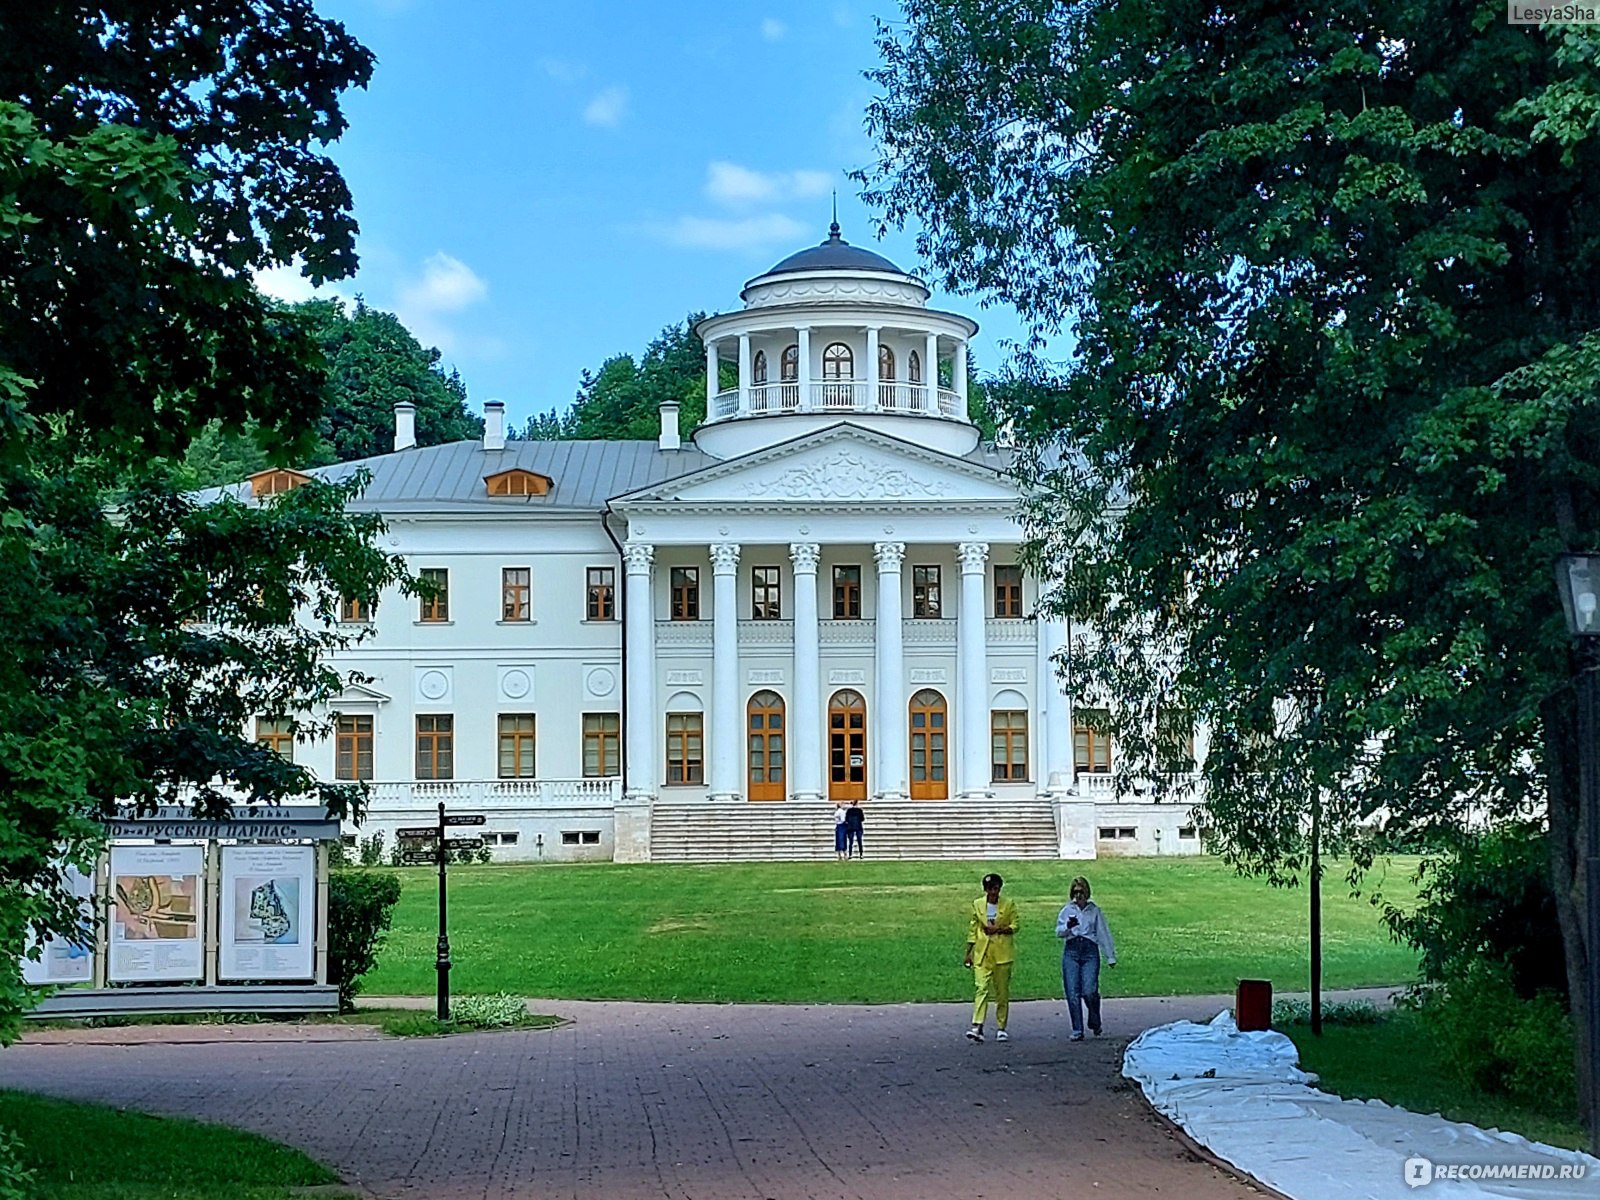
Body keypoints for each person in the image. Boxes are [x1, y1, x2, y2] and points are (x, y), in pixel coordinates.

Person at [1055, 875, 1116, 1041]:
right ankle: (1077, 1029)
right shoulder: (1067, 910)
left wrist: (1110, 956)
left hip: (1089, 950)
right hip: (1072, 949)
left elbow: (1103, 934)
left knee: (1089, 990)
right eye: (1075, 892)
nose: (1078, 895)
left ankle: (1094, 1017)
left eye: (1081, 892)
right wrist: (1068, 927)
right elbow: (1058, 932)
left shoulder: (1094, 911)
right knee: (1072, 991)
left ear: (1086, 892)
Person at [963, 872, 1018, 1042]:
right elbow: (973, 929)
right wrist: (969, 953)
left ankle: (1001, 1027)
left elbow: (1015, 925)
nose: (991, 892)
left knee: (1002, 992)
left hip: (1002, 954)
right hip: (983, 953)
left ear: (999, 888)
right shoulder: (978, 904)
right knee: (981, 988)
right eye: (988, 889)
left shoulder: (1008, 905)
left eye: (994, 888)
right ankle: (977, 1025)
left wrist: (999, 930)